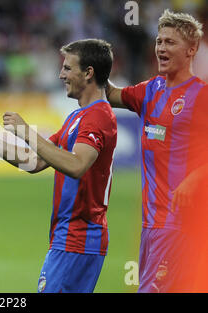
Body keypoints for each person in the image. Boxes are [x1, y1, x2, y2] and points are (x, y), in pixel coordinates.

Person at [0, 39, 117, 293]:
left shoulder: (98, 117)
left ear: (88, 72)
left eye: (68, 68)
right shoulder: (77, 117)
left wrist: (26, 132)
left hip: (79, 238)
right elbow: (35, 160)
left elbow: (78, 164)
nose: (61, 75)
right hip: (66, 238)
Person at [105, 9, 208, 292]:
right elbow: (112, 94)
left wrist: (195, 178)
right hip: (151, 224)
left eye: (170, 42)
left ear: (191, 50)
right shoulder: (150, 91)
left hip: (179, 224)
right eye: (159, 41)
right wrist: (92, 64)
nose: (161, 48)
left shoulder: (201, 96)